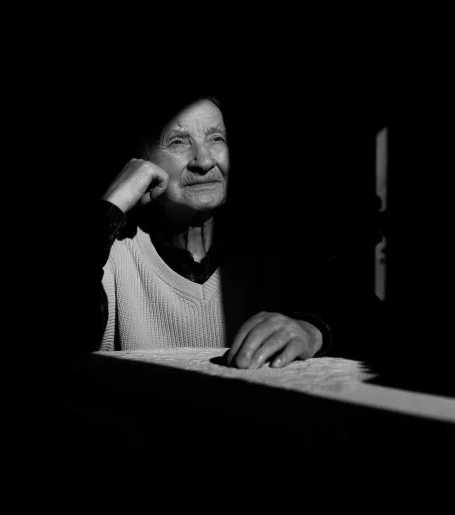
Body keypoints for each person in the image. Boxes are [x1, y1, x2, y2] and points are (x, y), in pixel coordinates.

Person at [74, 94, 334, 369]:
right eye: (178, 142)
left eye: (216, 139)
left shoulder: (272, 249)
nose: (204, 161)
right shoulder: (112, 255)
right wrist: (110, 206)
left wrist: (313, 329)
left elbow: (352, 311)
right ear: (141, 158)